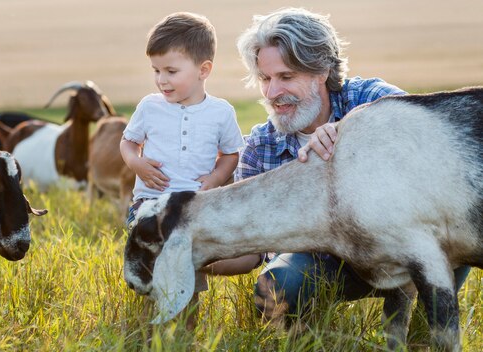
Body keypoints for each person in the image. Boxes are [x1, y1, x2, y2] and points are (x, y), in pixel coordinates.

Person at [230, 7, 471, 324]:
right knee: (275, 287)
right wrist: (192, 246)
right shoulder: (260, 148)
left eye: (286, 77)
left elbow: (434, 142)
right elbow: (250, 250)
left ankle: (425, 335)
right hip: (324, 264)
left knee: (458, 215)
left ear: (321, 73)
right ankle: (315, 338)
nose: (272, 92)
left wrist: (352, 133)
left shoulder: (369, 99)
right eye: (265, 78)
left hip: (405, 249)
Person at [120, 12, 245, 328]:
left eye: (171, 71)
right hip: (148, 205)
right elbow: (128, 143)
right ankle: (147, 328)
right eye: (156, 71)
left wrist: (215, 178)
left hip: (192, 208)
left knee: (186, 269)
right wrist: (136, 163)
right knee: (156, 264)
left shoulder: (220, 112)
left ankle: (184, 332)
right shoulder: (150, 107)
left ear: (204, 70)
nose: (161, 80)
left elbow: (231, 154)